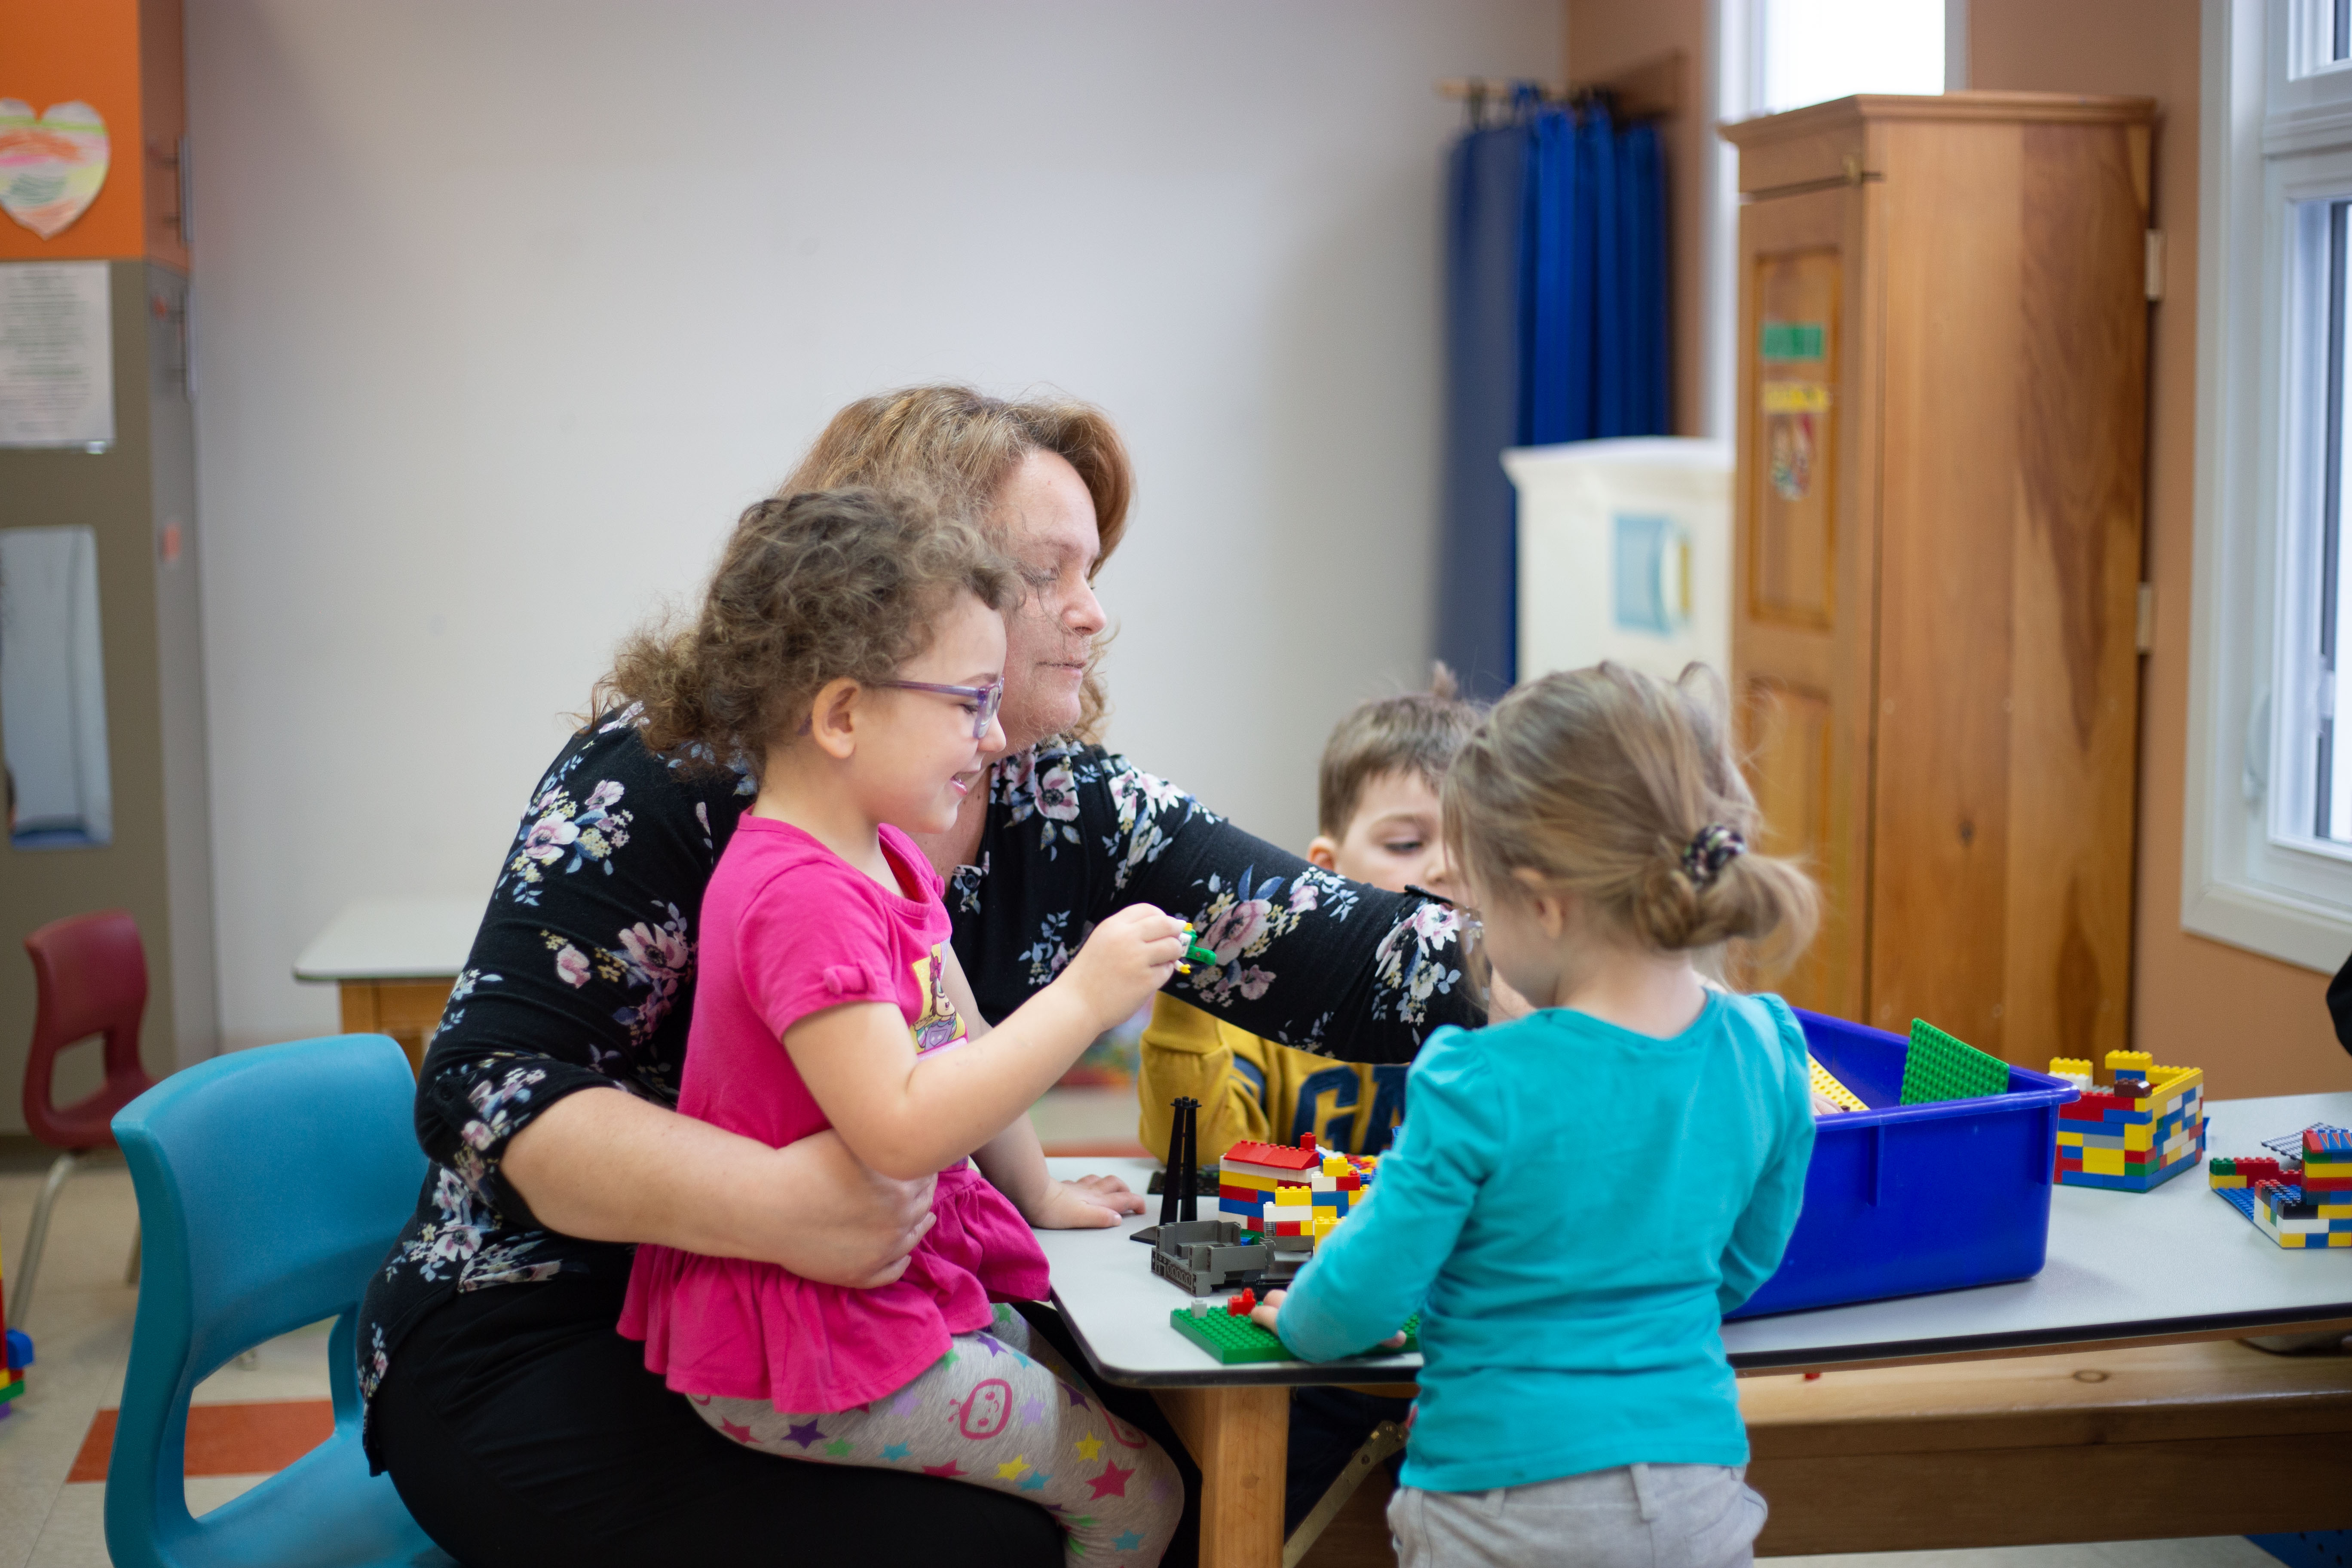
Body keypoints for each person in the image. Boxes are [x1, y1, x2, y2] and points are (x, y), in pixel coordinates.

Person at [360, 386, 1485, 1568]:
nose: (1094, 616)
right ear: (894, 598)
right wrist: (783, 1208)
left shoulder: (1056, 792)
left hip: (857, 1310)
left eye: (1094, 572)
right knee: (986, 1542)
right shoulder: (668, 776)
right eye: (1048, 575)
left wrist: (1622, 967)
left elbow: (1352, 955)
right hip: (559, 1328)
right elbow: (490, 1090)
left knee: (1183, 1469)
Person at [610, 489, 1181, 1563]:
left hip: (863, 1298)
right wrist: (1083, 999)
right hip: (805, 1346)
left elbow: (952, 1031)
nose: (996, 733)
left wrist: (1038, 1188)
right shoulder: (801, 894)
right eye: (969, 701)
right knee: (1140, 1494)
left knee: (1091, 1394)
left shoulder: (871, 851)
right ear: (840, 716)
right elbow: (903, 1126)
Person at [1249, 663, 1820, 1568]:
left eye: (1480, 896)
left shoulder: (1479, 1078)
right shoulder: (1769, 1047)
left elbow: (1367, 1289)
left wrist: (1303, 1321)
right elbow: (1746, 1264)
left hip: (1500, 1503)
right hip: (1695, 1487)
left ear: (1544, 904)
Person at [1137, 667, 1481, 1163]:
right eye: (1407, 843)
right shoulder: (1258, 1003)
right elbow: (1203, 1158)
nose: (1447, 865)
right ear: (1327, 870)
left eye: (1477, 845)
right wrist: (1188, 998)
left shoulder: (1510, 1012)